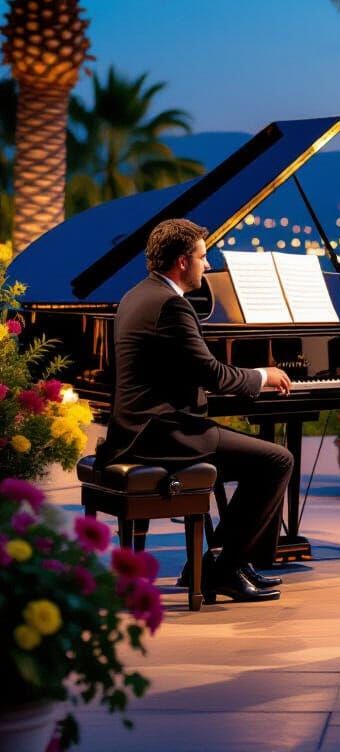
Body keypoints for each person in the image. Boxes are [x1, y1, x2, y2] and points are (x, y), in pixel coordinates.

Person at [100, 218, 294, 603]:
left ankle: (218, 564)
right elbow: (213, 374)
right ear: (183, 261)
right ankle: (224, 570)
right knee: (276, 460)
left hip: (137, 429)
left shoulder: (137, 295)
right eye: (203, 257)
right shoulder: (172, 305)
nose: (208, 265)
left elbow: (181, 370)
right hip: (162, 434)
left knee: (259, 457)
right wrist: (263, 375)